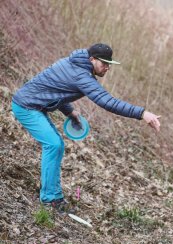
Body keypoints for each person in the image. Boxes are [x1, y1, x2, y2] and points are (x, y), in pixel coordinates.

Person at [11, 43, 161, 213]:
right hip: (26, 106)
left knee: (56, 145)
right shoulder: (82, 75)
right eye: (103, 63)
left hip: (33, 104)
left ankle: (52, 195)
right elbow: (108, 102)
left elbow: (54, 88)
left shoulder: (74, 63)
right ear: (92, 59)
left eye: (109, 64)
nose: (107, 68)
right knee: (53, 145)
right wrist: (142, 114)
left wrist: (70, 112)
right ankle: (50, 199)